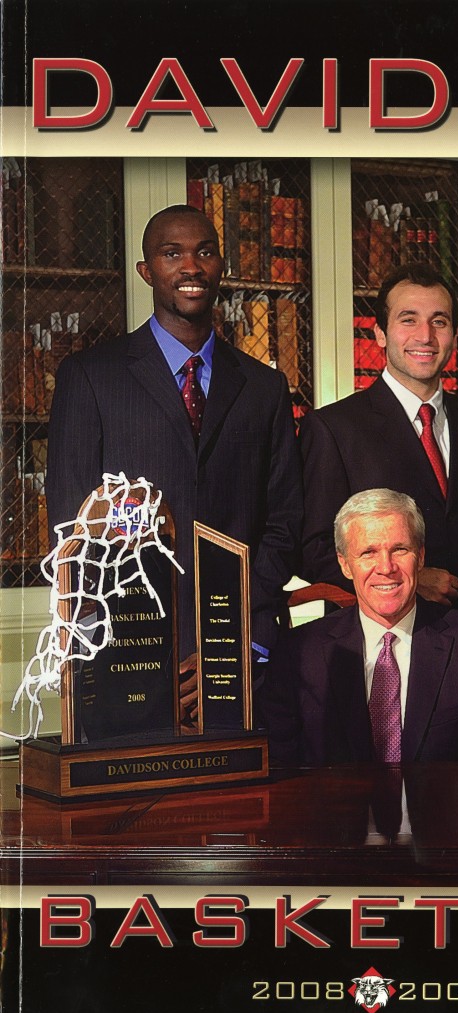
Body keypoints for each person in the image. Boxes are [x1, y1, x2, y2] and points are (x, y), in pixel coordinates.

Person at [46, 204, 303, 719]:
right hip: (126, 654)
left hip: (242, 652)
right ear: (147, 272)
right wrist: (132, 645)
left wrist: (231, 641)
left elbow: (283, 525)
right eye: (172, 253)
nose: (191, 267)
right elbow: (73, 527)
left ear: (221, 266)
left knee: (252, 799)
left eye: (204, 252)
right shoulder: (91, 377)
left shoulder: (264, 387)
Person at [261, 488, 458, 766]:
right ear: (345, 564)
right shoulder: (300, 651)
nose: (386, 567)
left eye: (400, 549)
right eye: (368, 552)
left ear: (421, 557)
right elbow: (279, 765)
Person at [299, 263, 458, 608]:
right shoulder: (334, 428)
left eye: (439, 321)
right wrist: (408, 578)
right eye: (408, 320)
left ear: (455, 335)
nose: (425, 336)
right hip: (379, 640)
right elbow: (313, 548)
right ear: (380, 333)